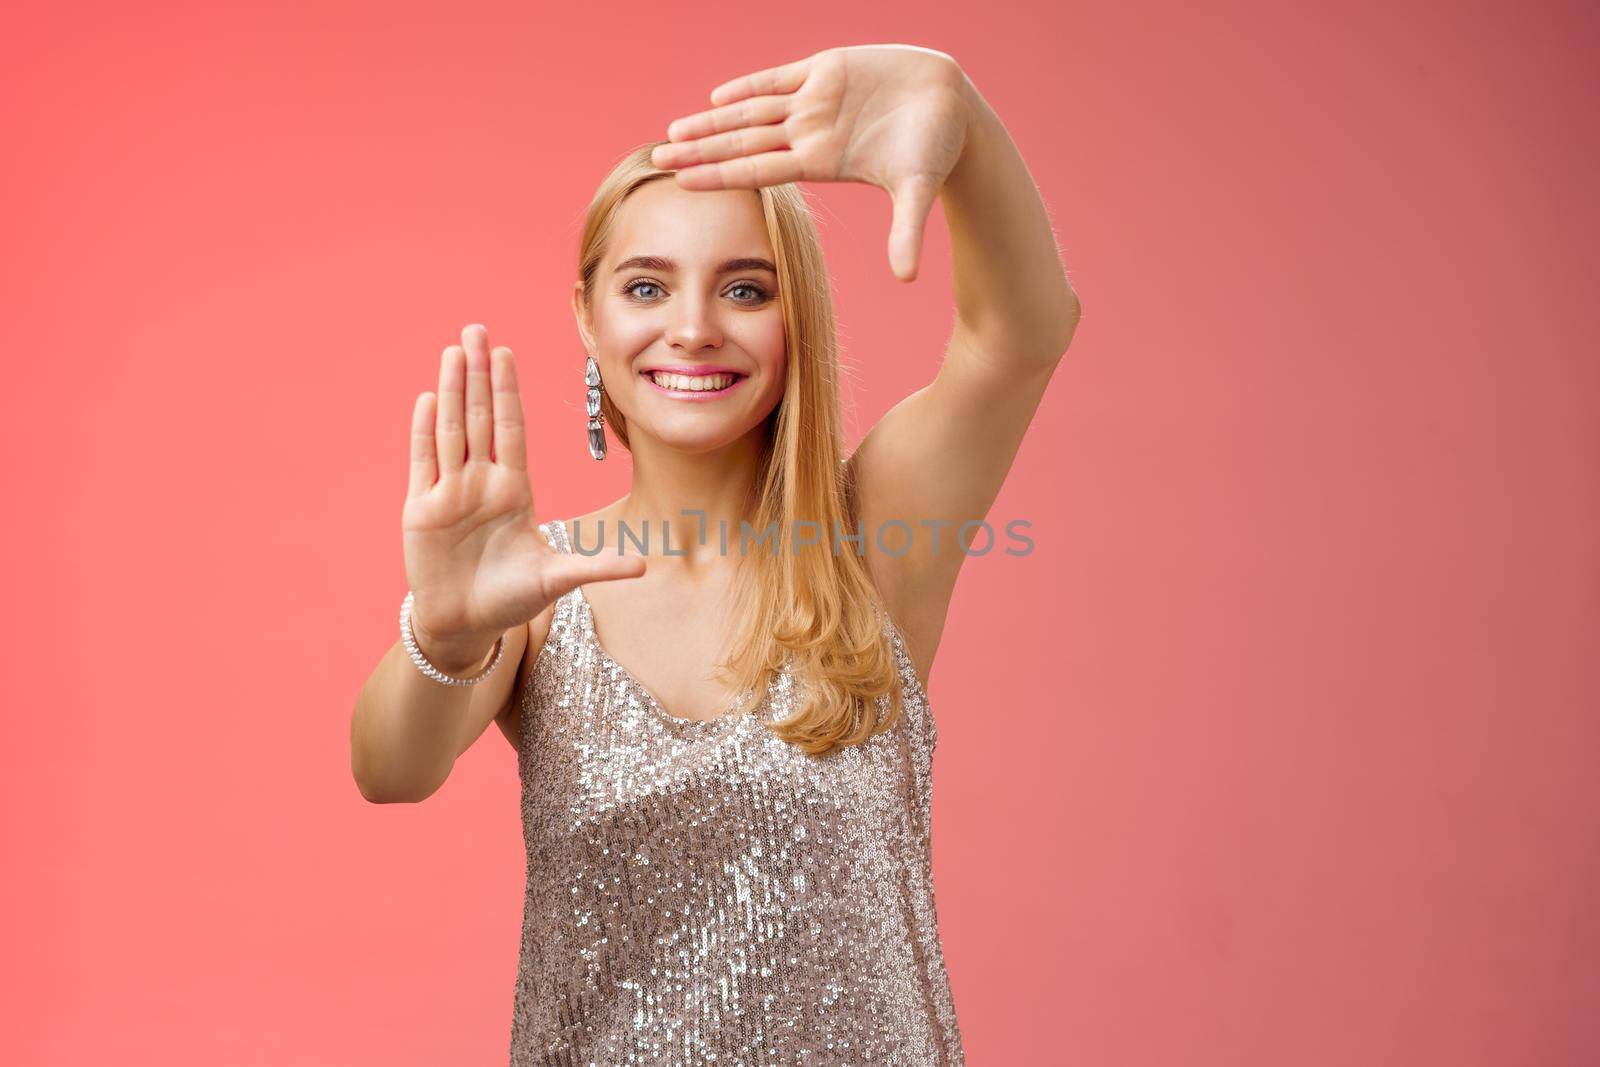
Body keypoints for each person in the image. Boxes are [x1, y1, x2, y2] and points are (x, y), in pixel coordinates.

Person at [351, 44, 1081, 1065]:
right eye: (647, 288)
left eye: (744, 290)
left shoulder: (871, 539)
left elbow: (1021, 334)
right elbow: (391, 768)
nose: (692, 328)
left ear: (796, 321)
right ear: (589, 316)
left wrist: (956, 119)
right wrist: (446, 626)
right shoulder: (538, 585)